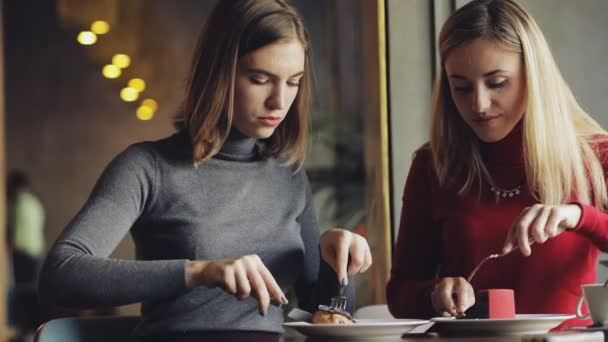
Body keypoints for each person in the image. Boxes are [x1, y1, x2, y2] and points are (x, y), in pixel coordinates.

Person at [38, 0, 372, 340]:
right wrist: (199, 272)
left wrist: (335, 260)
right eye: (260, 79)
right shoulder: (147, 167)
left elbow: (325, 312)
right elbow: (61, 275)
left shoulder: (288, 176)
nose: (279, 101)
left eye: (293, 82)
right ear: (219, 73)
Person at [387, 0, 608, 321]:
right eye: (460, 87)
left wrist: (580, 217)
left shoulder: (595, 154)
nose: (479, 104)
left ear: (534, 76)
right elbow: (400, 294)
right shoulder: (433, 165)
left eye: (497, 83)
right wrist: (434, 294)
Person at [6, 170, 46, 340]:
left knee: (22, 294)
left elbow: (17, 238)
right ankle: (30, 332)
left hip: (23, 254)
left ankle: (25, 332)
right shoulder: (35, 203)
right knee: (31, 294)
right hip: (37, 254)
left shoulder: (18, 204)